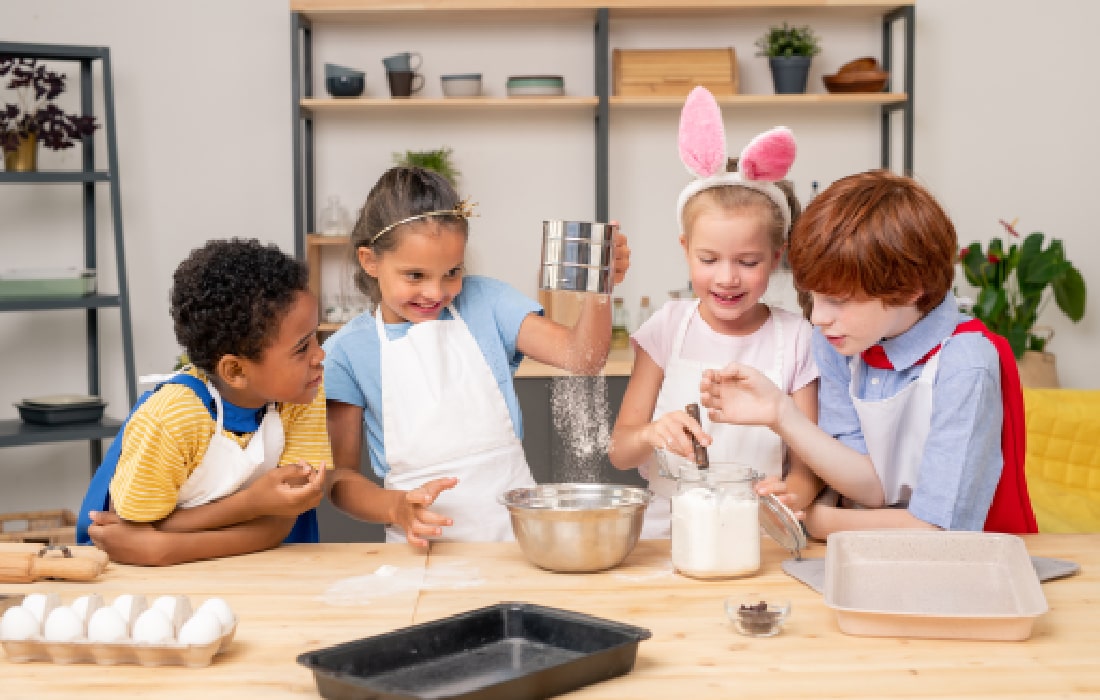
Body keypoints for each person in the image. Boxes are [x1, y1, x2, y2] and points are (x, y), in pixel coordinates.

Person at [700, 169, 1038, 538]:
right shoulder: (838, 343)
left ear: (910, 289)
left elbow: (942, 529)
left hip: (967, 570)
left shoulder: (965, 363)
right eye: (812, 296)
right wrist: (781, 413)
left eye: (839, 300)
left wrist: (823, 522)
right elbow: (872, 487)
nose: (817, 317)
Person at [323, 165, 631, 545]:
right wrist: (395, 508)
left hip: (516, 540)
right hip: (421, 551)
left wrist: (601, 285)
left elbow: (583, 358)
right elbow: (340, 480)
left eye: (452, 272)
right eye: (415, 276)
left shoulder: (486, 302)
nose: (436, 293)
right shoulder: (345, 353)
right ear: (370, 262)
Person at [609, 86, 821, 540]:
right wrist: (650, 434)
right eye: (709, 260)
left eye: (748, 262)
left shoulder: (799, 337)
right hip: (666, 534)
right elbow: (620, 451)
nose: (727, 278)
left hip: (756, 532)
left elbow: (807, 471)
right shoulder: (667, 327)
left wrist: (789, 496)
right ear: (685, 250)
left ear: (777, 255)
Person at [76, 238, 330, 565]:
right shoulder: (172, 419)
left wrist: (163, 548)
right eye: (302, 348)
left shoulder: (303, 394)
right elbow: (127, 536)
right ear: (235, 370)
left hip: (260, 565)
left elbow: (281, 523)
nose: (320, 355)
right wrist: (253, 505)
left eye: (316, 338)